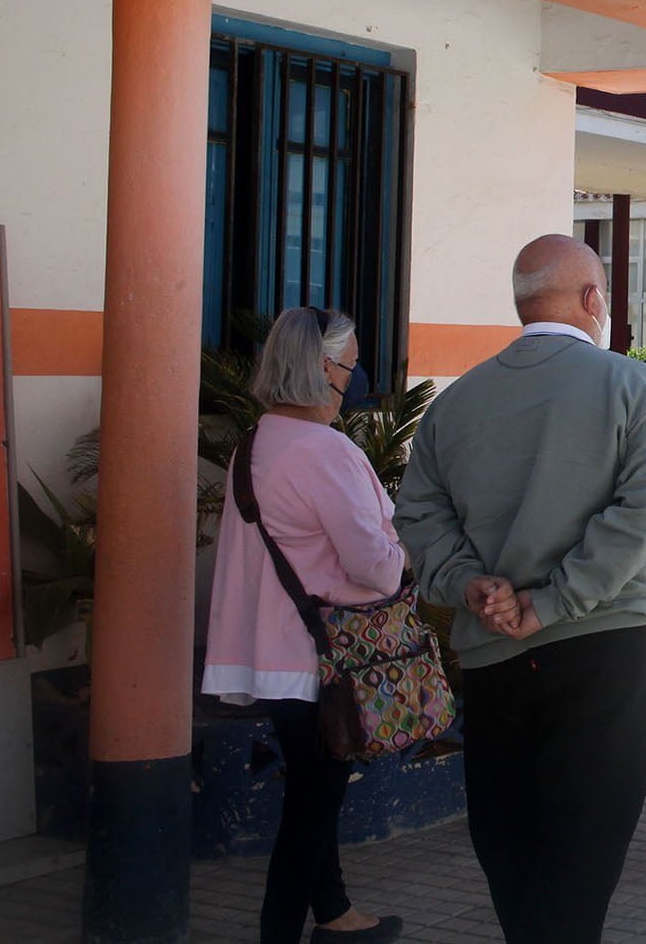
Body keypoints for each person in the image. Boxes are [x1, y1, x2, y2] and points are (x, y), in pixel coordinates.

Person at [395, 236, 646, 944]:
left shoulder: (455, 404)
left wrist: (469, 585)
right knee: (580, 870)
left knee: (513, 858)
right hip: (602, 655)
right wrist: (551, 603)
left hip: (493, 664)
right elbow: (639, 515)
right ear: (592, 300)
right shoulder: (629, 385)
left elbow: (417, 517)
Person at [202, 308, 406, 944]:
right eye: (349, 366)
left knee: (317, 794)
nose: (354, 380)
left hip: (277, 657)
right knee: (312, 808)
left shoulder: (254, 442)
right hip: (327, 661)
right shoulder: (326, 449)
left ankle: (338, 912)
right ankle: (280, 933)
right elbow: (374, 565)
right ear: (323, 368)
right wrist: (405, 559)